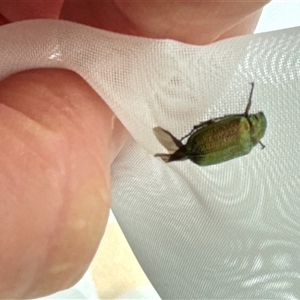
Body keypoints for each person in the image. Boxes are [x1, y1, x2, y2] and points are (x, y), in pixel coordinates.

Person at [0, 1, 271, 298]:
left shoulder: (242, 132)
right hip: (197, 148)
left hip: (197, 144)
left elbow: (218, 122)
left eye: (253, 117)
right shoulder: (245, 143)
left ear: (251, 122)